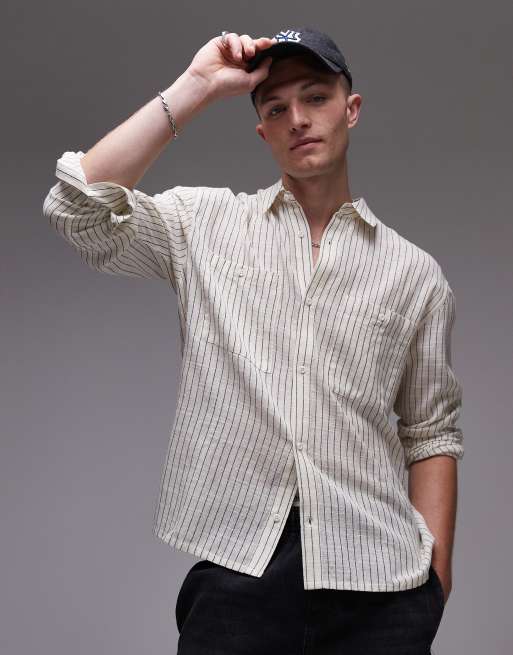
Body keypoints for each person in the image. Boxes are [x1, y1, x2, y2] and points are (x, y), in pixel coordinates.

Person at [42, 25, 464, 655]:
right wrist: (194, 87)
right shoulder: (204, 226)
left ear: (351, 109)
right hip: (239, 577)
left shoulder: (414, 274)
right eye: (276, 108)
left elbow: (430, 433)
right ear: (264, 132)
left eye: (315, 97)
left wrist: (435, 581)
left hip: (381, 585)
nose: (298, 119)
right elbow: (77, 209)